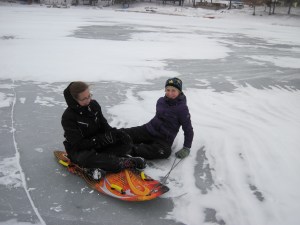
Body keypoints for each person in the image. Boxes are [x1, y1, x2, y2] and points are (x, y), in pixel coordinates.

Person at [61, 81, 146, 180]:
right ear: (74, 100)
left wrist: (116, 134)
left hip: (98, 145)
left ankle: (107, 161)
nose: (88, 100)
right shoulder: (68, 117)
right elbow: (78, 144)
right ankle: (118, 162)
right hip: (80, 150)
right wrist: (100, 140)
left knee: (125, 142)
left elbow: (104, 126)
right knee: (85, 157)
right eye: (84, 98)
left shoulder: (94, 105)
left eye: (89, 96)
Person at [124, 77, 194, 160]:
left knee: (165, 152)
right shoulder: (161, 101)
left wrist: (186, 148)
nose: (170, 93)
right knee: (126, 133)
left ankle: (129, 151)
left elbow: (188, 129)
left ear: (179, 92)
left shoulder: (182, 109)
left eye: (173, 90)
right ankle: (110, 138)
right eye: (168, 90)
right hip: (149, 129)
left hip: (164, 139)